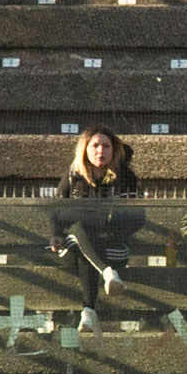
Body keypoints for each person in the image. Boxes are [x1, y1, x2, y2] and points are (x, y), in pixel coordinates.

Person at [52, 127, 140, 337]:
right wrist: (55, 234)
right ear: (85, 149)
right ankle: (107, 273)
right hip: (73, 246)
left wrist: (109, 232)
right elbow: (56, 210)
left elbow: (137, 217)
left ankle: (89, 311)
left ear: (114, 150)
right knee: (79, 231)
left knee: (85, 246)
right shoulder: (73, 175)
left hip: (112, 247)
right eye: (95, 145)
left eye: (106, 146)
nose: (101, 150)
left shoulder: (126, 177)